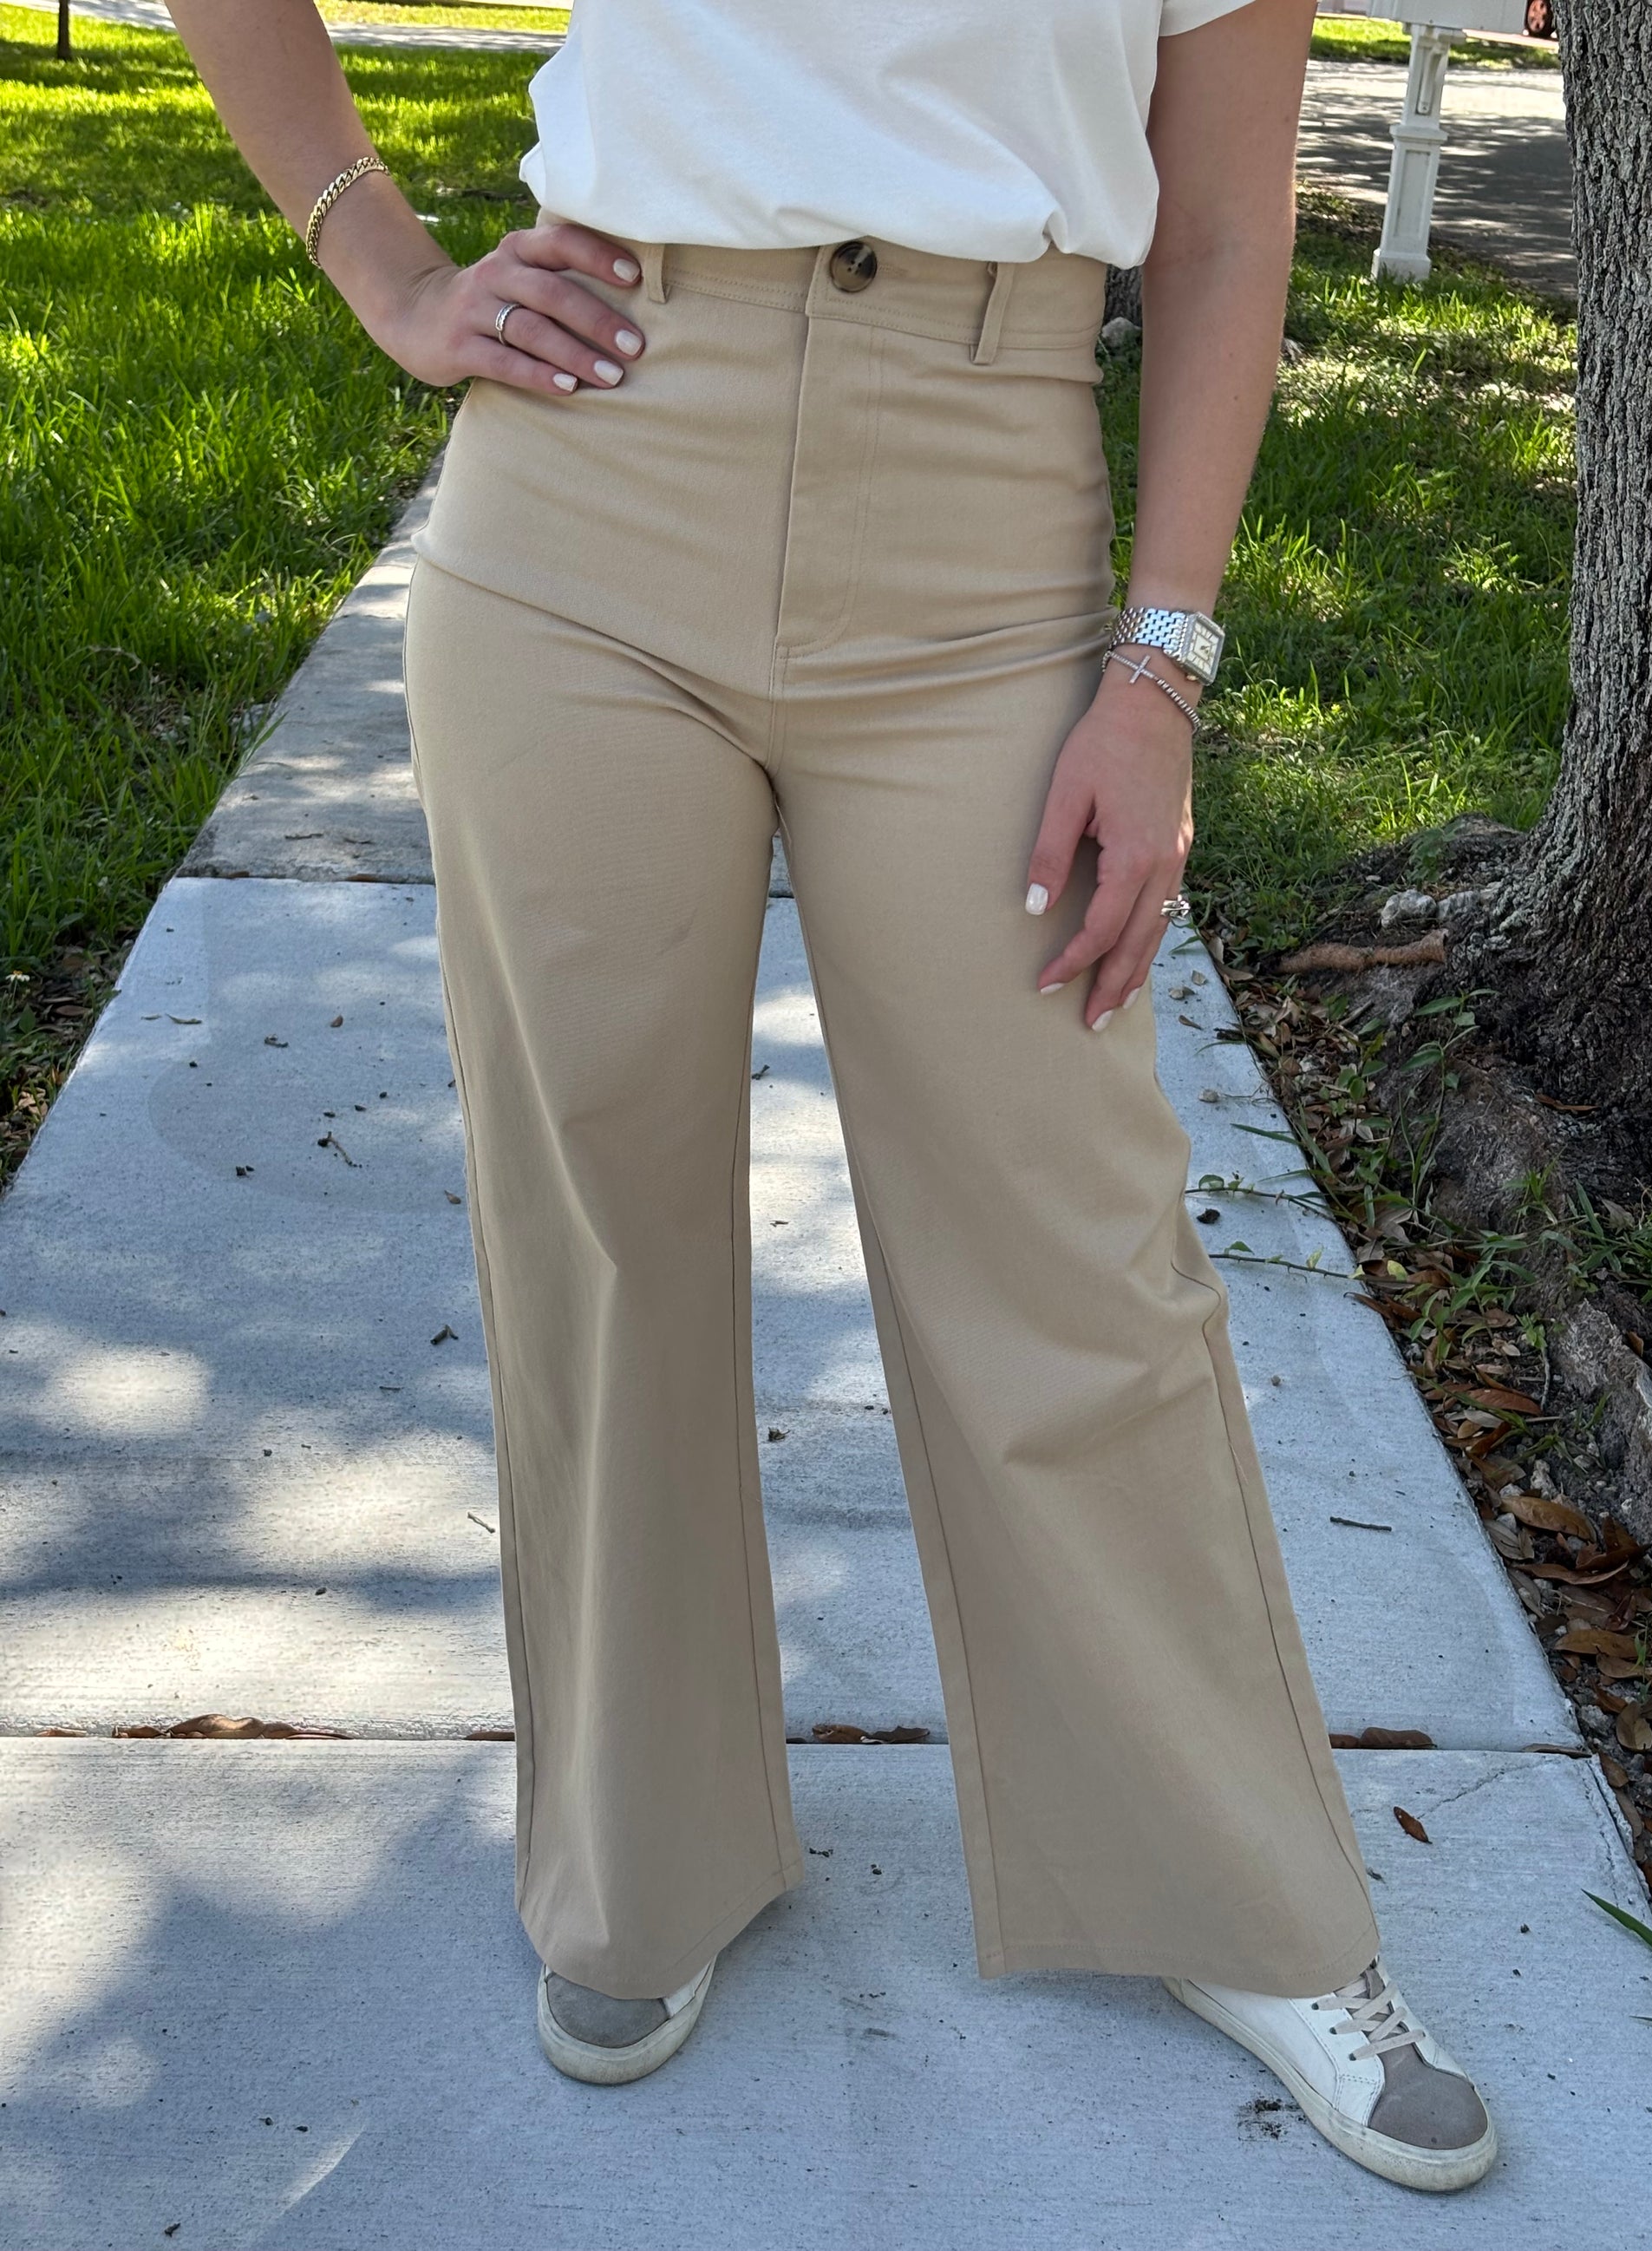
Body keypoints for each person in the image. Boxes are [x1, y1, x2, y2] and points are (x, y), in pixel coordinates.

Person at [167, 0, 1497, 2192]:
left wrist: (1161, 663)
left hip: (986, 518)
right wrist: (382, 264)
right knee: (601, 1225)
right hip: (590, 481)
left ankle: (1237, 1889)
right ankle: (637, 1857)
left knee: (1074, 1243)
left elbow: (1223, 231)